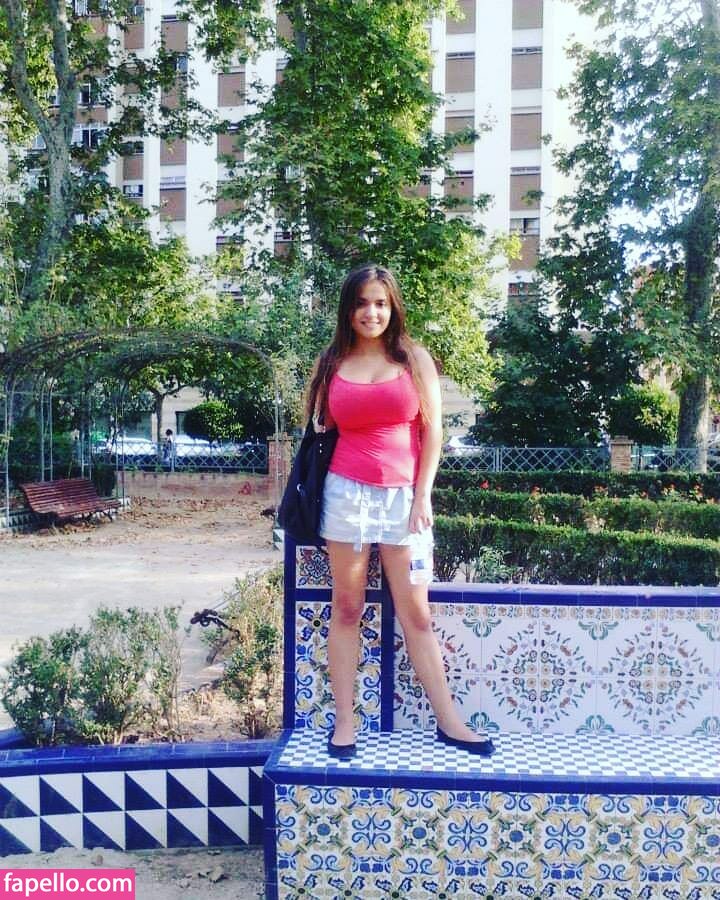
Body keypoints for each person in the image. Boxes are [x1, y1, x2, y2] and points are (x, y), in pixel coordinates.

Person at [307, 263, 494, 758]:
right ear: (348, 309)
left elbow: (433, 430)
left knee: (417, 614)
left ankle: (450, 721)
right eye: (362, 303)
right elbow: (323, 428)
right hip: (345, 496)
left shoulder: (414, 358)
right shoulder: (332, 361)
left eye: (381, 303)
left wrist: (423, 495)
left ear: (393, 308)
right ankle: (344, 723)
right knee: (347, 608)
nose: (371, 313)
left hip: (403, 501)